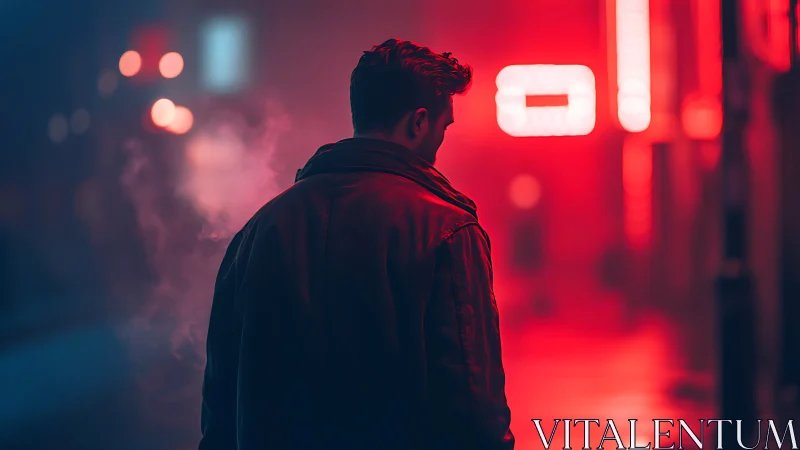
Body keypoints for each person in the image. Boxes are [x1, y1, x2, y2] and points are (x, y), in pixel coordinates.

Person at [199, 38, 514, 450]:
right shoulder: (448, 230)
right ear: (419, 122)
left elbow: (220, 407)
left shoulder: (260, 230)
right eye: (443, 127)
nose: (441, 141)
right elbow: (474, 407)